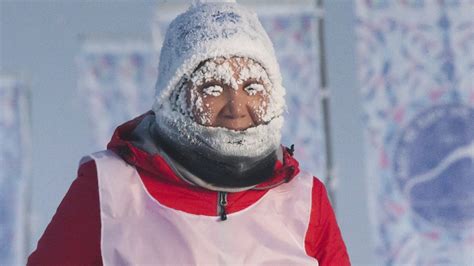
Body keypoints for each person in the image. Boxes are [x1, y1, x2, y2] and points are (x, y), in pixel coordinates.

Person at [28, 1, 350, 265]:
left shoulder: (304, 199)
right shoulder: (109, 188)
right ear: (174, 96)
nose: (236, 107)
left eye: (252, 86)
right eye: (212, 87)